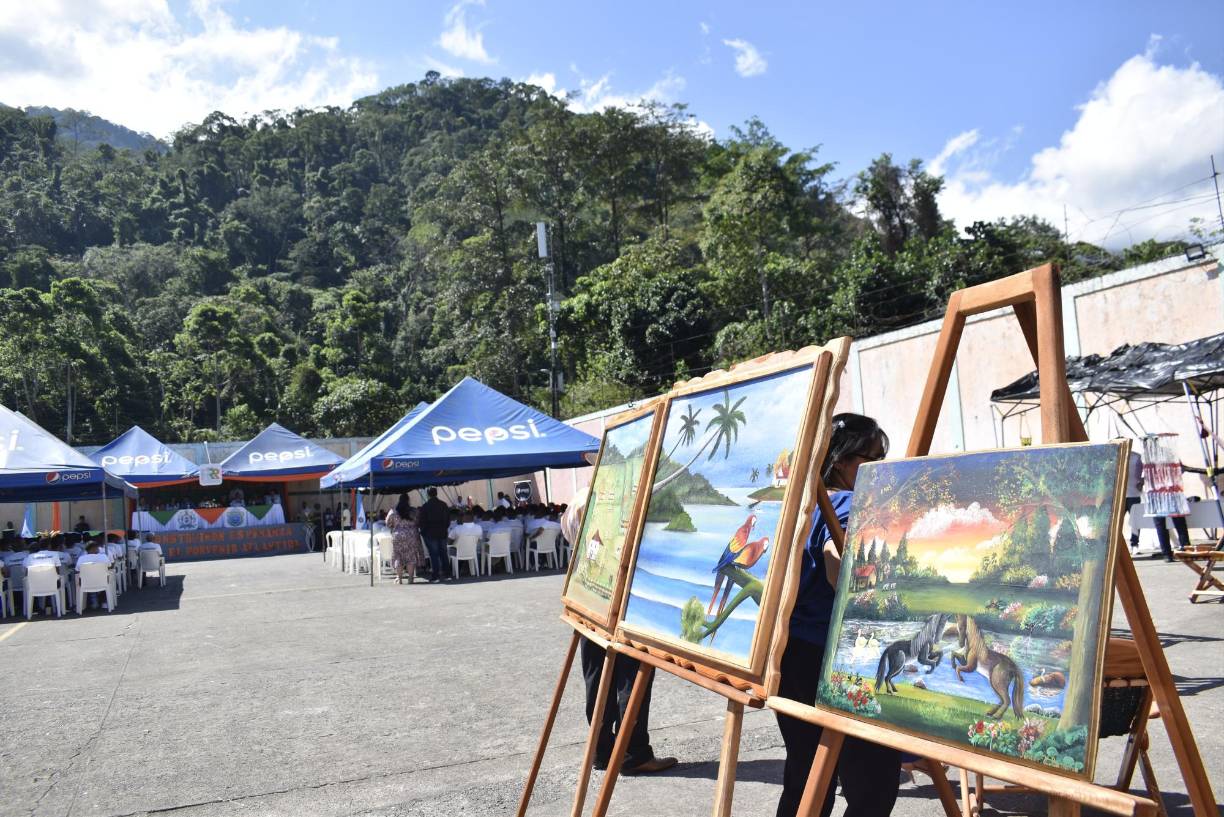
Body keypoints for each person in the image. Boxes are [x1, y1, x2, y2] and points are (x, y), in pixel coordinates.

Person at [775, 412, 900, 817]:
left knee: (808, 780)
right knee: (873, 785)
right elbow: (835, 554)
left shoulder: (796, 506)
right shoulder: (847, 504)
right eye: (873, 457)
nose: (881, 467)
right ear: (842, 460)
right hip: (837, 662)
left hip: (789, 657)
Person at [558, 489, 677, 774]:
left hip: (588, 591)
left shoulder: (578, 499)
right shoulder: (619, 501)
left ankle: (602, 750)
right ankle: (634, 753)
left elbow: (570, 538)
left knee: (597, 676)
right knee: (632, 676)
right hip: (623, 597)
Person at [386, 495, 427, 584]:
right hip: (412, 536)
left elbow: (388, 523)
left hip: (398, 536)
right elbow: (418, 522)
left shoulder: (393, 511)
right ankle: (411, 578)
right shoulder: (414, 511)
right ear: (408, 500)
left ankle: (399, 578)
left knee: (398, 556)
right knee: (411, 556)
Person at [418, 487, 452, 582]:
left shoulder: (425, 506)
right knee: (443, 554)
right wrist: (444, 528)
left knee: (434, 555)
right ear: (436, 493)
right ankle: (447, 575)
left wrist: (424, 532)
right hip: (442, 533)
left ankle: (436, 576)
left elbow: (422, 522)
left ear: (428, 495)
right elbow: (448, 520)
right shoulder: (443, 505)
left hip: (430, 534)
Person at [1123, 447, 1143, 551]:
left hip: (1133, 494)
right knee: (1116, 522)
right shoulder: (1113, 456)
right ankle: (1118, 543)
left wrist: (1141, 482)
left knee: (1136, 521)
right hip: (1119, 495)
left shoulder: (1136, 457)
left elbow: (1144, 474)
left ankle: (1134, 544)